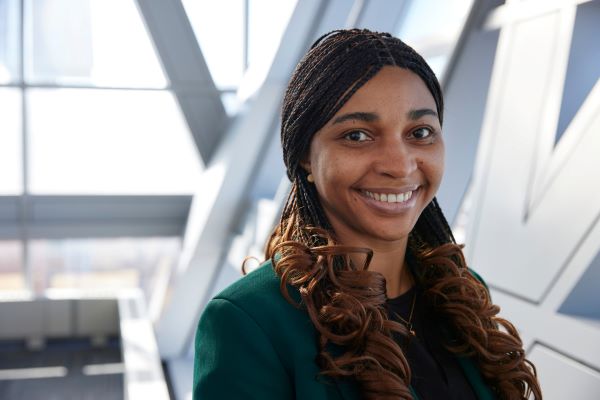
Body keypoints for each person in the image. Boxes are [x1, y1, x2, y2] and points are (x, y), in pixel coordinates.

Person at [193, 29, 542, 400]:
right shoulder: (247, 321)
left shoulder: (464, 291)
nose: (400, 165)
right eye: (358, 136)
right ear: (305, 157)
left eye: (420, 132)